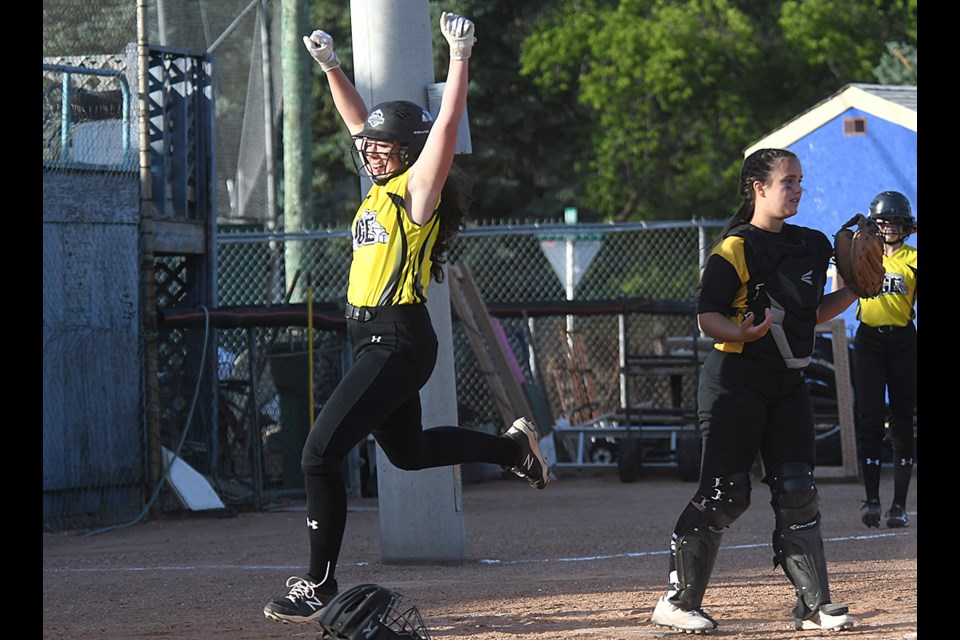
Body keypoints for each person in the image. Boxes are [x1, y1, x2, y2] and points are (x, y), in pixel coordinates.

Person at [262, 11, 550, 625]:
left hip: (396, 338)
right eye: (369, 145)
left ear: (411, 154)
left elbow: (443, 129)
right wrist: (333, 67)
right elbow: (356, 119)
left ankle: (318, 582)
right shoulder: (377, 189)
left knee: (318, 455)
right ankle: (510, 450)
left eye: (381, 145)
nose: (368, 148)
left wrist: (460, 56)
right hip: (376, 336)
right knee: (410, 451)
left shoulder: (418, 194)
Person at [650, 148, 859, 634]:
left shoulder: (812, 244)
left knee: (798, 491)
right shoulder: (735, 248)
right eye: (788, 181)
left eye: (800, 180)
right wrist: (741, 332)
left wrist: (854, 291)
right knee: (726, 493)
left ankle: (814, 606)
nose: (797, 189)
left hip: (787, 384)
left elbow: (809, 314)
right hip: (735, 380)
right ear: (758, 188)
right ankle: (677, 602)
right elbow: (708, 316)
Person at [834, 191, 917, 529]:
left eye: (897, 222)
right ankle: (871, 501)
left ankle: (898, 505)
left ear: (907, 226)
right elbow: (842, 283)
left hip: (903, 342)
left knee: (901, 421)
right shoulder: (862, 250)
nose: (889, 228)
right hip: (868, 341)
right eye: (884, 222)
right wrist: (847, 257)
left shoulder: (913, 256)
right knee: (869, 419)